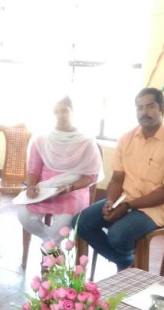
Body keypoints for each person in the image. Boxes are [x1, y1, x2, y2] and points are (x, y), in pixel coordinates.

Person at [75, 87, 164, 271]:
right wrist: (111, 202)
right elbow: (117, 178)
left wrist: (128, 206)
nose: (144, 112)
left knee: (117, 235)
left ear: (162, 109)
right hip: (124, 200)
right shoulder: (126, 139)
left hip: (154, 209)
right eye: (139, 108)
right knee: (80, 222)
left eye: (150, 106)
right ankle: (126, 261)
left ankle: (127, 265)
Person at [18, 96, 102, 255]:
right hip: (45, 189)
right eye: (55, 112)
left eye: (64, 111)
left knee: (64, 222)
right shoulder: (42, 138)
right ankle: (51, 247)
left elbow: (91, 176)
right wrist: (31, 186)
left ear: (72, 113)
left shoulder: (85, 141)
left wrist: (70, 187)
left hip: (73, 190)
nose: (60, 115)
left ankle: (49, 251)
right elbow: (33, 170)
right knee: (24, 215)